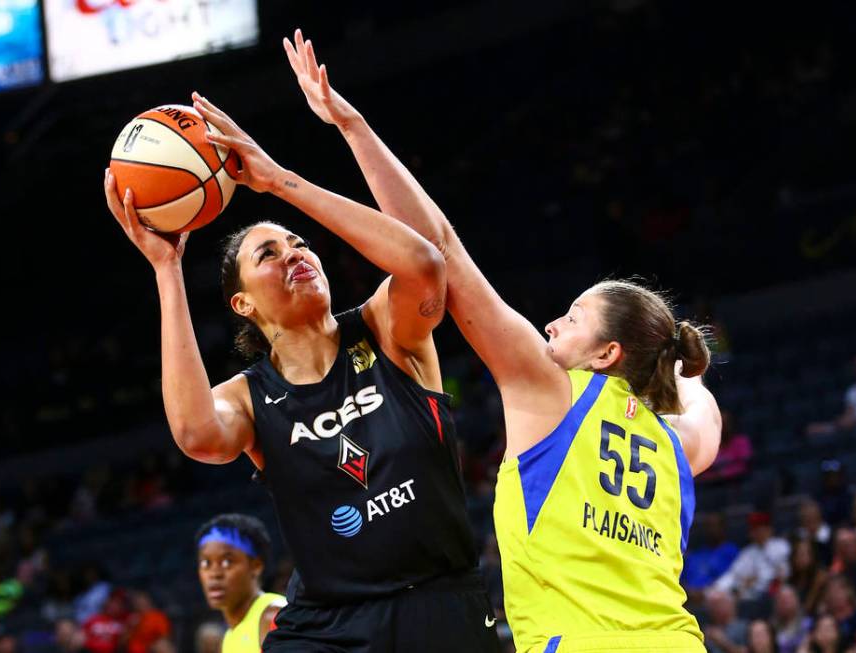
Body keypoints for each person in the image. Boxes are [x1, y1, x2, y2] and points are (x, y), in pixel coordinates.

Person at [284, 28, 722, 652]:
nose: (552, 325)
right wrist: (682, 367)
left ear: (606, 354)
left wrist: (352, 127)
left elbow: (437, 244)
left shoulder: (551, 389)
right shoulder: (680, 443)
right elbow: (702, 403)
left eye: (572, 318)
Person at [106, 76, 499, 653]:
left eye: (300, 243)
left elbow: (424, 262)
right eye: (269, 254)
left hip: (441, 608)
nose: (294, 252)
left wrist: (276, 182)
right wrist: (167, 271)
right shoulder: (248, 395)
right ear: (242, 305)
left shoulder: (386, 328)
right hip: (327, 628)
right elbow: (195, 434)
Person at [195, 514, 284, 653]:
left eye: (227, 562)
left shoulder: (274, 617)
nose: (214, 573)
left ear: (256, 566)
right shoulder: (228, 638)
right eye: (206, 563)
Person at [713, 512, 790, 601]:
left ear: (769, 529)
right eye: (754, 530)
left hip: (776, 594)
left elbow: (783, 573)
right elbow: (733, 574)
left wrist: (755, 580)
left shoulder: (781, 546)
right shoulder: (748, 553)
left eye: (760, 529)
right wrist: (717, 587)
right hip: (754, 597)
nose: (757, 533)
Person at [683, 513, 740, 599]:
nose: (711, 530)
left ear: (723, 528)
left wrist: (704, 592)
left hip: (714, 599)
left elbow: (731, 579)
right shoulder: (696, 554)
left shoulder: (730, 551)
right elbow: (682, 579)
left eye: (715, 526)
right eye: (708, 526)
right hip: (687, 599)